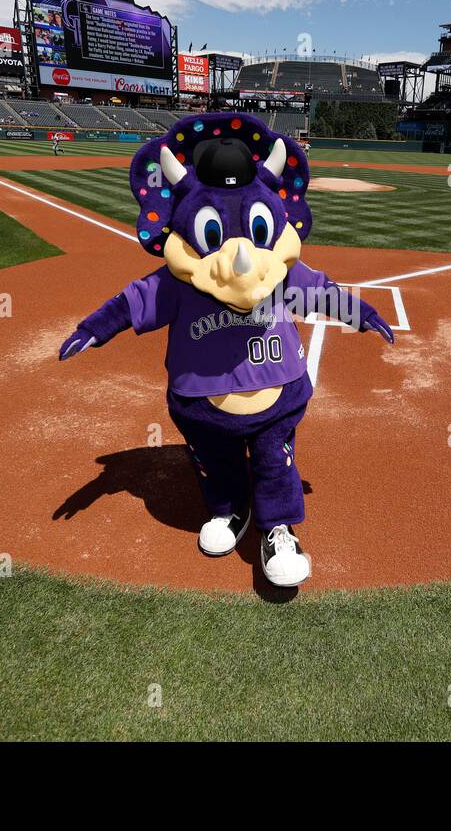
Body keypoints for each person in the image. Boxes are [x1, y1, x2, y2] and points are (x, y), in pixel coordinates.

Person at [57, 113, 393, 589]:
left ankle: (278, 529)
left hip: (275, 393)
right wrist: (97, 326)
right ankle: (229, 510)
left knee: (275, 461)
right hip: (201, 400)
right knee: (216, 462)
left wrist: (360, 311)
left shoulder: (280, 271)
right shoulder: (179, 280)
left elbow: (319, 290)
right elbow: (135, 301)